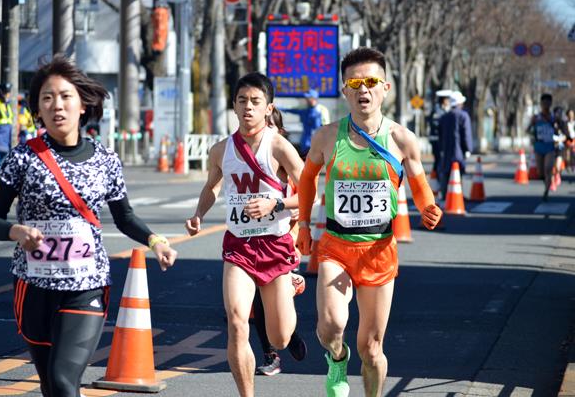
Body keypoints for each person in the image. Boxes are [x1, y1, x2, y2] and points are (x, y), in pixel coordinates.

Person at [0, 55, 177, 397]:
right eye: (47, 98)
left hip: (86, 283)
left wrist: (155, 240)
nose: (56, 105)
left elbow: (124, 216)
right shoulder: (22, 158)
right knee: (54, 385)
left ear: (83, 104)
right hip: (34, 285)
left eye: (65, 96)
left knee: (62, 379)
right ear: (38, 110)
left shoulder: (106, 160)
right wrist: (16, 231)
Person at [296, 47, 443, 397]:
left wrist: (429, 206)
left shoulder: (402, 139)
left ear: (385, 88)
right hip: (336, 246)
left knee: (372, 349)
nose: (364, 90)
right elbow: (306, 180)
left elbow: (420, 185)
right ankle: (336, 359)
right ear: (344, 89)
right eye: (355, 83)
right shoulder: (327, 136)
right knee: (330, 326)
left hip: (379, 250)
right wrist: (302, 225)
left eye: (371, 82)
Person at [185, 72, 304, 396]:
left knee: (278, 337)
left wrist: (275, 202)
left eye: (255, 101)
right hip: (239, 246)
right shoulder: (221, 149)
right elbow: (211, 186)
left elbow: (311, 192)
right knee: (237, 322)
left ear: (269, 108)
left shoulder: (279, 147)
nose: (247, 108)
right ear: (234, 106)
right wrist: (198, 214)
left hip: (275, 245)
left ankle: (289, 290)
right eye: (242, 101)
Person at [253, 107, 307, 377]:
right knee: (255, 302)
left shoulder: (288, 159)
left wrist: (293, 208)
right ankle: (269, 355)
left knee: (276, 305)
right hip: (248, 243)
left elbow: (308, 196)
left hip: (283, 241)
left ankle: (290, 333)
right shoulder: (245, 157)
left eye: (270, 126)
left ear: (280, 131)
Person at [439, 90, 473, 199]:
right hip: (459, 152)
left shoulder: (444, 117)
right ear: (459, 103)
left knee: (446, 173)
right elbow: (466, 134)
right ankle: (457, 197)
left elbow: (440, 135)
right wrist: (468, 149)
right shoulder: (463, 116)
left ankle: (445, 195)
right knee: (458, 174)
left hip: (446, 152)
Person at [280, 88, 330, 157]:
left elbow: (326, 128)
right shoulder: (304, 110)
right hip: (305, 143)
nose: (306, 100)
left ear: (314, 99)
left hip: (316, 144)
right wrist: (277, 107)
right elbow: (290, 110)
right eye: (306, 98)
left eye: (309, 98)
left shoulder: (321, 111)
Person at [528, 93, 558, 200]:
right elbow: (528, 129)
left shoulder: (554, 117)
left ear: (550, 103)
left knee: (548, 168)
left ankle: (546, 190)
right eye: (544, 102)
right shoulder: (536, 118)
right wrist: (531, 131)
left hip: (549, 146)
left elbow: (561, 129)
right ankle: (547, 181)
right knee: (540, 172)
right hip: (539, 146)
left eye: (548, 102)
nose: (546, 104)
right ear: (541, 104)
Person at [427, 89, 452, 175]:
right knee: (438, 159)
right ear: (443, 100)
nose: (448, 102)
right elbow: (436, 123)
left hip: (442, 139)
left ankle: (439, 175)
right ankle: (436, 176)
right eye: (447, 100)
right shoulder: (437, 110)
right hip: (436, 139)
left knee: (441, 159)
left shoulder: (444, 109)